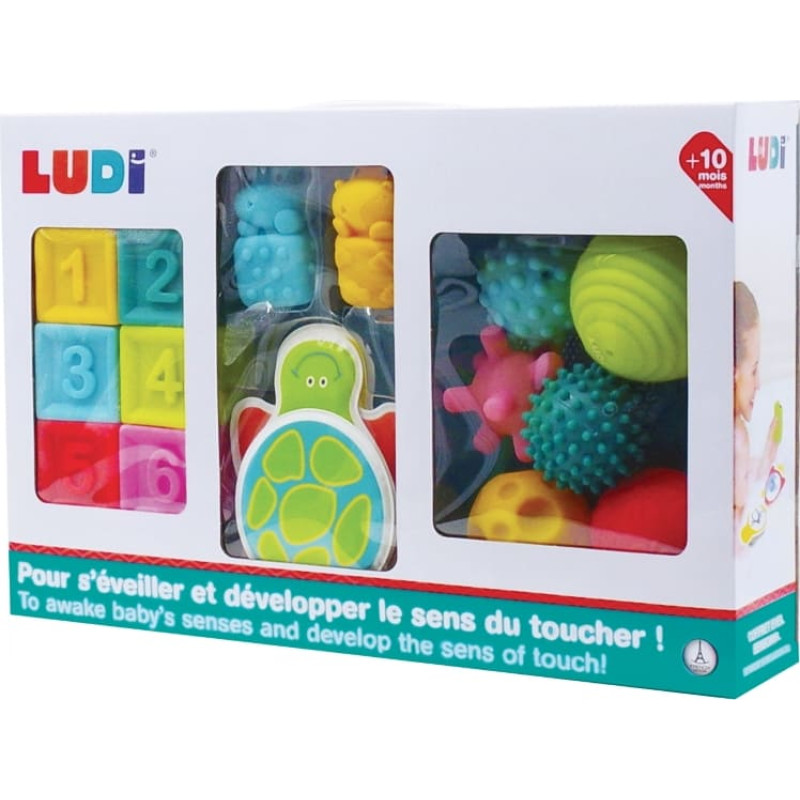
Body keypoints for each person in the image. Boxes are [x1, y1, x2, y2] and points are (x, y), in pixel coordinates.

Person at [733, 281, 779, 526]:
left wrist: (771, 446)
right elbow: (743, 499)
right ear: (732, 373)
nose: (758, 384)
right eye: (753, 370)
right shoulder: (737, 437)